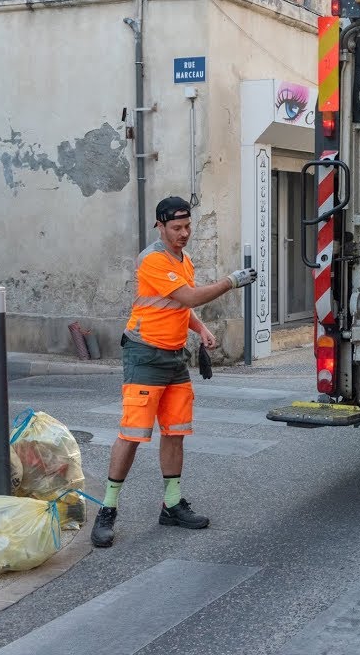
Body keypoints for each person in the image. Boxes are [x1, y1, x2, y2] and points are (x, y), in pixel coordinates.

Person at [91, 196, 258, 548]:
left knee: (175, 431)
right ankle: (107, 509)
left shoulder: (185, 259)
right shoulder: (152, 259)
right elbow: (192, 296)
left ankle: (171, 505)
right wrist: (231, 281)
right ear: (160, 226)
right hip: (144, 354)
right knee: (132, 434)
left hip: (173, 357)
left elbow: (180, 304)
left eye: (188, 227)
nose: (184, 234)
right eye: (177, 228)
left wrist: (200, 330)